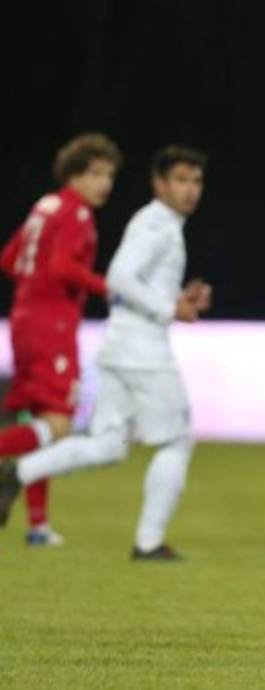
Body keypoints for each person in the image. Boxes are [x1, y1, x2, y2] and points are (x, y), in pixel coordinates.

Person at [0, 145, 212, 561]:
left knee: (107, 444)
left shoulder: (156, 222)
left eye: (197, 181)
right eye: (181, 180)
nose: (191, 190)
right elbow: (119, 277)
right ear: (159, 184)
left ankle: (18, 472)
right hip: (141, 352)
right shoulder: (156, 225)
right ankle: (148, 543)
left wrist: (177, 299)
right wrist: (168, 308)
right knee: (177, 439)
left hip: (118, 347)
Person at [0, 133, 122, 546]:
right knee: (57, 427)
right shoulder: (76, 214)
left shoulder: (44, 206)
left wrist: (33, 295)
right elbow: (61, 267)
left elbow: (9, 259)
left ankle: (38, 525)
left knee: (40, 424)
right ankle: (15, 484)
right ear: (73, 175)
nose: (104, 183)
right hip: (51, 327)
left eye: (109, 175)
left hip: (24, 319)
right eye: (96, 173)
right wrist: (107, 287)